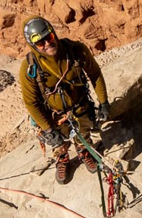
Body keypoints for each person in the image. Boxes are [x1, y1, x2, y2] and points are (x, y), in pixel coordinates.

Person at [20, 16, 111, 184]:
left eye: (49, 37)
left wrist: (104, 102)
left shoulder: (76, 50)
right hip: (53, 114)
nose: (47, 44)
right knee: (58, 141)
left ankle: (84, 150)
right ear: (33, 47)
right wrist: (47, 129)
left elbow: (95, 74)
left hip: (80, 106)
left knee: (83, 132)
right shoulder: (30, 68)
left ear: (54, 33)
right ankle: (62, 158)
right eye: (40, 43)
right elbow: (31, 102)